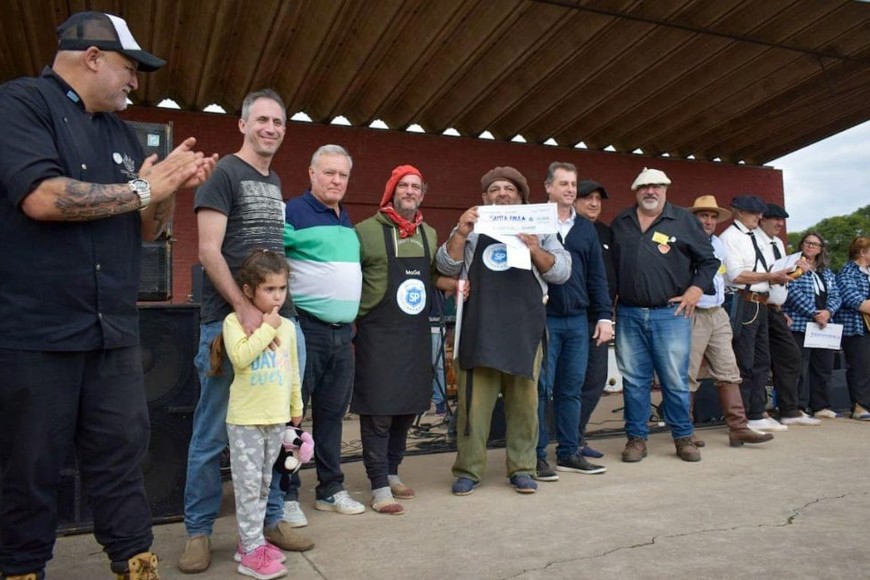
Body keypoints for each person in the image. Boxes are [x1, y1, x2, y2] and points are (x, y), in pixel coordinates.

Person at [0, 11, 216, 580]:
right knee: (29, 466)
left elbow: (149, 229)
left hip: (113, 332)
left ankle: (135, 561)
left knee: (124, 458)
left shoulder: (122, 135)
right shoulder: (22, 104)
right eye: (129, 68)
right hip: (37, 334)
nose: (135, 82)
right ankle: (21, 568)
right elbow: (43, 198)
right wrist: (146, 185)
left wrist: (166, 190)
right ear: (92, 58)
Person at [181, 89, 313, 575]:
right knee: (213, 432)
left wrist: (279, 316)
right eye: (261, 119)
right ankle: (198, 532)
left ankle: (269, 522)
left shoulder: (274, 179)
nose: (271, 128)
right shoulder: (223, 176)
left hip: (280, 323)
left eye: (278, 121)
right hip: (228, 323)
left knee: (277, 434)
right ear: (242, 124)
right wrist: (244, 308)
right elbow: (209, 250)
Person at [436, 166, 570, 495]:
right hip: (479, 329)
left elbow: (562, 272)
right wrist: (460, 234)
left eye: (509, 189)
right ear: (485, 198)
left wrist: (535, 247)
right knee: (473, 407)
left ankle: (522, 467)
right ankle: (468, 469)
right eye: (494, 189)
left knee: (524, 406)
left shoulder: (541, 227)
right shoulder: (472, 227)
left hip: (524, 330)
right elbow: (444, 267)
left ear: (521, 197)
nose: (502, 194)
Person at [352, 165, 458, 514]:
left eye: (415, 186)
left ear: (422, 194)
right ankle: (379, 485)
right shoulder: (364, 232)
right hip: (377, 332)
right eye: (403, 185)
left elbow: (432, 277)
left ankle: (393, 470)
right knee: (379, 410)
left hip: (413, 332)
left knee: (407, 408)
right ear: (391, 190)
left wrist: (458, 286)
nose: (410, 191)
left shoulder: (428, 233)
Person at [610, 168, 718, 463]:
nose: (651, 191)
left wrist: (696, 290)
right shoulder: (621, 222)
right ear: (636, 191)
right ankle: (636, 439)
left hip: (671, 314)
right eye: (645, 187)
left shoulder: (684, 220)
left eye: (657, 186)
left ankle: (683, 437)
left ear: (666, 189)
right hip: (629, 314)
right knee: (633, 381)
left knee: (675, 380)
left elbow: (709, 261)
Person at [283, 145, 365, 517]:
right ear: (311, 174)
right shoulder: (293, 211)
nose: (336, 180)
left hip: (342, 335)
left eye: (342, 175)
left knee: (332, 417)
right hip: (306, 332)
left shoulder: (344, 218)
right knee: (293, 419)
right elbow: (270, 263)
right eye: (329, 173)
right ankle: (285, 497)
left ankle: (330, 490)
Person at [219, 250, 302, 580]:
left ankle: (250, 542)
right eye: (269, 289)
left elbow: (293, 372)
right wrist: (267, 328)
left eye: (282, 289)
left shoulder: (290, 328)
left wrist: (295, 410)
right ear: (249, 289)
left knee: (267, 483)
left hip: (275, 418)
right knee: (248, 486)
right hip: (246, 421)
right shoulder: (233, 322)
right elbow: (240, 358)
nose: (277, 296)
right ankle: (250, 553)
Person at [534, 163, 612, 483]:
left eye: (573, 184)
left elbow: (597, 276)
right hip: (543, 318)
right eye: (563, 183)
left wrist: (604, 316)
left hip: (578, 320)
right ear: (548, 187)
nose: (570, 189)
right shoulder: (535, 222)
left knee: (571, 389)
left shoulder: (586, 228)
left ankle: (568, 452)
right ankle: (536, 456)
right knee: (539, 390)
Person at [687, 196, 774, 447]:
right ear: (694, 218)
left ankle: (738, 427)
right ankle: (685, 430)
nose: (709, 220)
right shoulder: (684, 241)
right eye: (703, 215)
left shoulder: (717, 243)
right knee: (689, 374)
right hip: (694, 312)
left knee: (729, 370)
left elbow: (724, 277)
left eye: (713, 216)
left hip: (717, 312)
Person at [719, 196, 807, 433]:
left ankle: (757, 411)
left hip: (762, 301)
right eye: (753, 212)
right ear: (738, 212)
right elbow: (736, 275)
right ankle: (747, 413)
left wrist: (789, 273)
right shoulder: (730, 237)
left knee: (761, 360)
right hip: (745, 300)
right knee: (745, 360)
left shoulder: (752, 237)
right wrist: (771, 276)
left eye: (759, 213)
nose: (758, 217)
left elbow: (769, 271)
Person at [757, 204, 820, 426]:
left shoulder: (779, 244)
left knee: (790, 356)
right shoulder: (756, 241)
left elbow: (784, 277)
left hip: (776, 308)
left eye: (782, 220)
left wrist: (799, 269)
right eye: (775, 219)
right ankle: (757, 412)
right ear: (762, 219)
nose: (779, 224)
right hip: (758, 304)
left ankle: (789, 410)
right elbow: (762, 275)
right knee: (760, 360)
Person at [573, 179, 618, 459]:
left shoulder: (606, 232)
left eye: (598, 199)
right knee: (567, 383)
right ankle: (560, 439)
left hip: (599, 321)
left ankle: (576, 436)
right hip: (570, 319)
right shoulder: (564, 230)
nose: (593, 203)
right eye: (586, 197)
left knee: (595, 381)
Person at [783, 232, 841, 418]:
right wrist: (814, 313)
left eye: (815, 244)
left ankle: (820, 406)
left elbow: (836, 294)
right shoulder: (792, 265)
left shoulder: (826, 272)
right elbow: (792, 291)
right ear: (801, 245)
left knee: (823, 366)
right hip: (801, 323)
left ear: (820, 249)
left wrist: (828, 312)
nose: (810, 246)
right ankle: (797, 406)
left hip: (824, 325)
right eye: (807, 243)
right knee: (799, 366)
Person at [833, 236, 870, 421]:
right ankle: (860, 406)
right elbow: (854, 300)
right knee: (860, 366)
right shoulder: (848, 272)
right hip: (855, 327)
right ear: (862, 252)